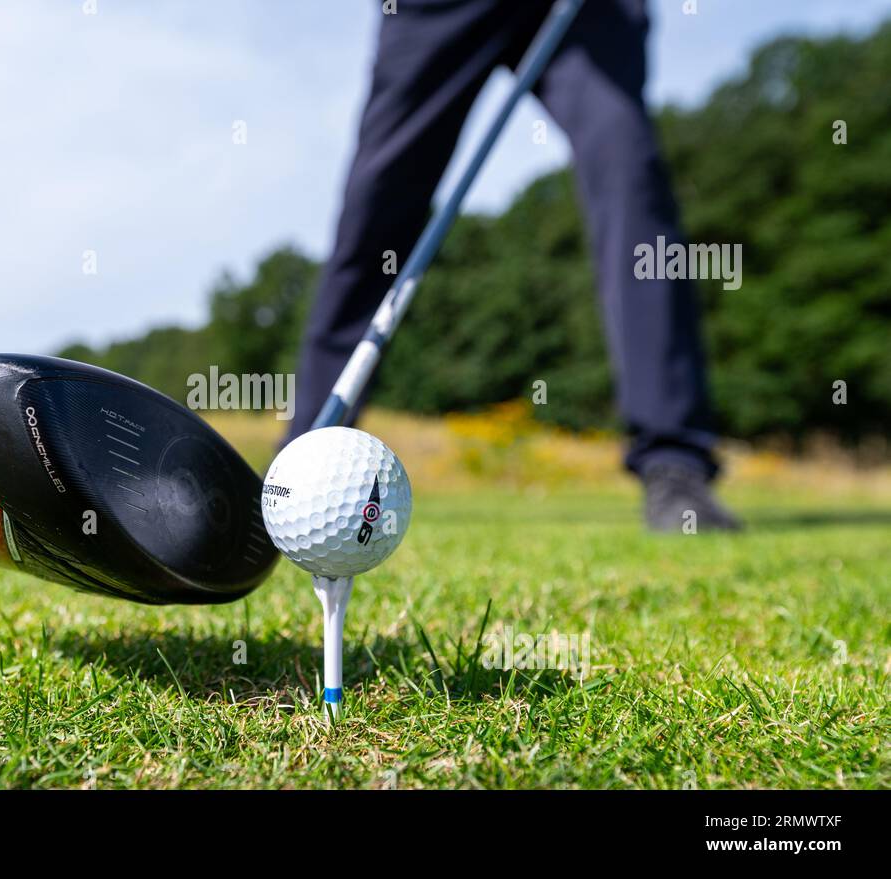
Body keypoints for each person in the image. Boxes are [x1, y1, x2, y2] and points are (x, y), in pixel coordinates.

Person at [288, 0, 741, 531]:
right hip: (438, 11)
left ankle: (675, 465)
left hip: (588, 15)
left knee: (631, 177)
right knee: (377, 208)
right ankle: (302, 463)